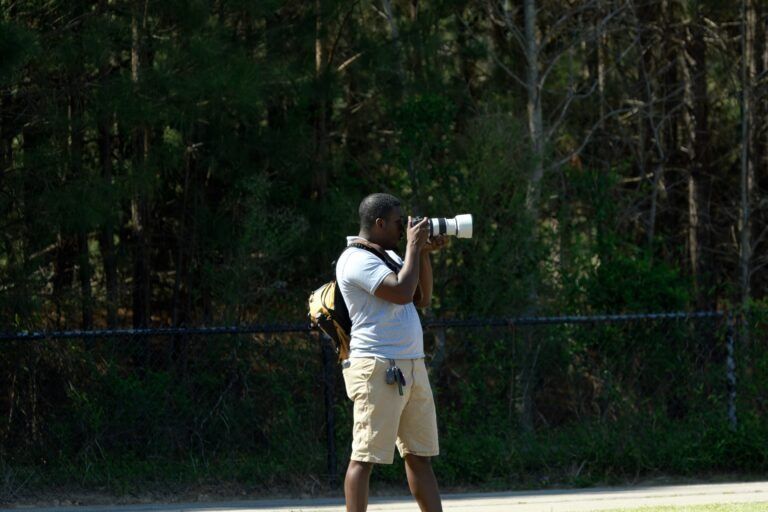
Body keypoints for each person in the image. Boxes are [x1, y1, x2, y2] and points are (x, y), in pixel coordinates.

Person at [335, 192, 446, 512]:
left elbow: (421, 297)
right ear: (379, 223)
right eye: (399, 222)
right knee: (364, 457)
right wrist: (412, 247)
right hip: (378, 367)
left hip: (411, 365)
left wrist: (421, 253)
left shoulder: (391, 256)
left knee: (419, 456)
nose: (404, 227)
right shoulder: (356, 259)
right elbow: (400, 292)